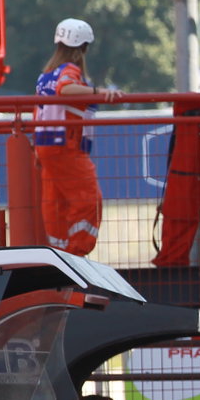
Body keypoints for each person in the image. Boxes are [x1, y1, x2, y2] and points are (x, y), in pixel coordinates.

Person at [35, 18, 121, 256]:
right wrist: (100, 91)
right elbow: (66, 89)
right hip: (67, 148)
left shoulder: (45, 76)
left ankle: (60, 258)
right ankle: (76, 256)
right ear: (83, 48)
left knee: (57, 207)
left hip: (48, 149)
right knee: (88, 200)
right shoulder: (70, 72)